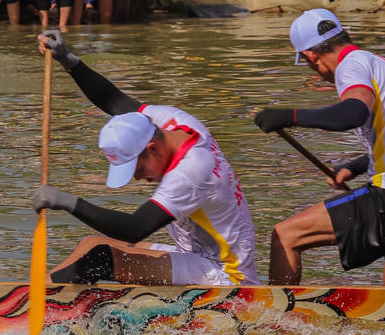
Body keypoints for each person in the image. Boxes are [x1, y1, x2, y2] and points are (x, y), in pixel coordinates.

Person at [251, 9, 385, 286]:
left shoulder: (351, 66)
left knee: (286, 236)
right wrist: (353, 167)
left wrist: (290, 117)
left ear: (311, 56)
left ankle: (278, 320)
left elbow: (352, 113)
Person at [33, 30, 260, 287]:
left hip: (227, 276)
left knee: (100, 260)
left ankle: (25, 305)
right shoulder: (173, 122)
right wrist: (70, 60)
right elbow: (115, 101)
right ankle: (29, 294)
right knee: (90, 244)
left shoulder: (192, 171)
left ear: (151, 147)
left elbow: (134, 229)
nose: (138, 178)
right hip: (195, 255)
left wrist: (67, 202)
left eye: (136, 169)